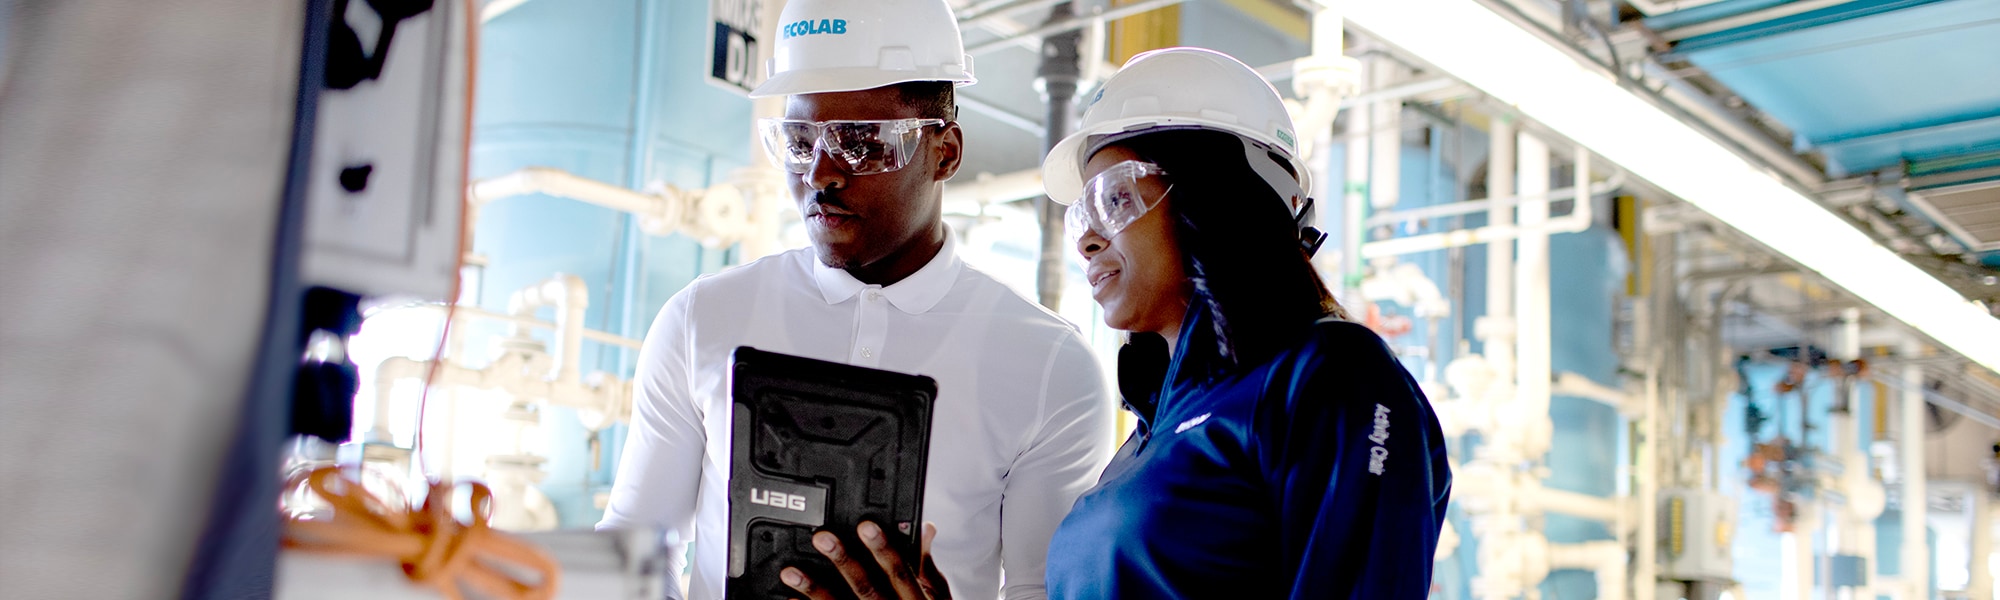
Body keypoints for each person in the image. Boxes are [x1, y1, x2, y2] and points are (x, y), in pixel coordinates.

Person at [781, 47, 1450, 600]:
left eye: (1115, 198)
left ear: (1217, 194)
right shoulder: (1142, 444)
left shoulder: (1328, 377)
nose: (1088, 240)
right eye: (1082, 216)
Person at [595, 1, 1117, 599]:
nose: (821, 172)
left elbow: (1042, 590)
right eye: (799, 140)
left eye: (862, 143)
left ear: (944, 152)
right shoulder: (703, 320)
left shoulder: (1048, 366)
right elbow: (635, 547)